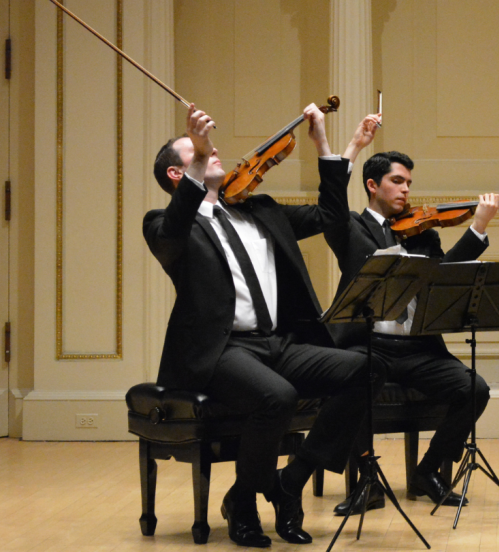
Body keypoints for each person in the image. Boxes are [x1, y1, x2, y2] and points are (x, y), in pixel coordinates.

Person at [145, 104, 371, 547]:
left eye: (209, 150)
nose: (214, 153)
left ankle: (292, 480)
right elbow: (173, 231)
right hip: (221, 351)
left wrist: (323, 144)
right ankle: (244, 504)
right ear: (178, 173)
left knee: (365, 369)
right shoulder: (165, 226)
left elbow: (331, 216)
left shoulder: (260, 210)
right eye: (198, 152)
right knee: (277, 396)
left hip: (278, 343)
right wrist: (198, 156)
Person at [317, 113, 499, 515]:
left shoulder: (424, 233)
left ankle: (428, 470)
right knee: (354, 382)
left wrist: (478, 228)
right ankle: (367, 481)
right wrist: (353, 145)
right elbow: (330, 204)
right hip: (368, 345)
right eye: (397, 181)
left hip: (417, 349)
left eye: (409, 183)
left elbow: (445, 278)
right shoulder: (351, 228)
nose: (405, 190)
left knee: (475, 388)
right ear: (373, 185)